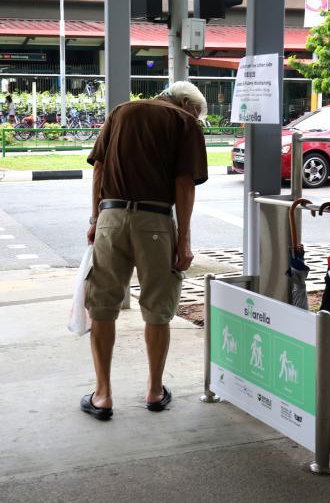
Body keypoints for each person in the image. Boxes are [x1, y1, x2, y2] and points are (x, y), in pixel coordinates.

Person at [81, 81, 208, 420]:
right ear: (185, 102)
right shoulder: (184, 122)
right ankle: (154, 390)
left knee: (102, 306)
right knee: (157, 307)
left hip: (110, 217)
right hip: (154, 222)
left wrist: (96, 219)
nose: (196, 117)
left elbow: (99, 169)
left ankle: (103, 395)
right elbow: (184, 184)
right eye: (196, 111)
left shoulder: (121, 111)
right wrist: (183, 240)